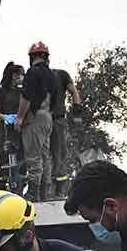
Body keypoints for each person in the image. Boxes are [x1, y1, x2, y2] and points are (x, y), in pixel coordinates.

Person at [16, 43, 58, 202]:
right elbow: (56, 99)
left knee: (33, 156)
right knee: (44, 155)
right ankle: (45, 192)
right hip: (48, 117)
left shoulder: (32, 73)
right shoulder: (52, 75)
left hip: (35, 117)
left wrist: (20, 117)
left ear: (31, 57)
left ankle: (33, 193)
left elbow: (26, 97)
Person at [48, 64, 82, 198]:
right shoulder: (36, 75)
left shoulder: (61, 74)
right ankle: (45, 189)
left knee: (59, 154)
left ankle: (60, 191)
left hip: (57, 119)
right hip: (40, 121)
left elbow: (74, 92)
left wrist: (77, 113)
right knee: (42, 155)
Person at [0, 62, 26, 193]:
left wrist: (20, 118)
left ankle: (19, 189)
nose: (22, 77)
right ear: (13, 75)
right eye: (20, 74)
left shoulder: (23, 91)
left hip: (20, 128)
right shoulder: (1, 91)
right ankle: (1, 188)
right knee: (4, 159)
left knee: (22, 160)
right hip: (5, 129)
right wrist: (6, 117)